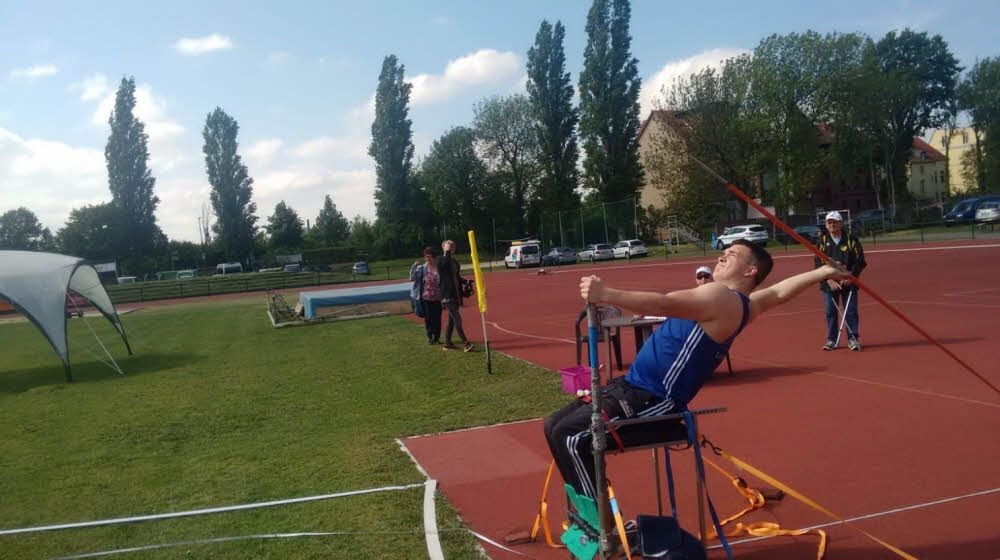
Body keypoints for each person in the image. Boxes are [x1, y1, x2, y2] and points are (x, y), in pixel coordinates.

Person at [543, 239, 851, 500]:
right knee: (554, 424)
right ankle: (588, 513)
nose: (721, 256)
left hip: (655, 400)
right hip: (632, 388)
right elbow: (778, 293)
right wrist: (822, 272)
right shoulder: (741, 306)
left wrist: (607, 294)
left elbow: (663, 304)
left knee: (571, 435)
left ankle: (599, 526)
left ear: (750, 270)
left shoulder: (722, 297)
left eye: (731, 255)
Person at [815, 211, 867, 351]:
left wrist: (851, 276)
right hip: (829, 284)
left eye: (834, 222)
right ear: (826, 225)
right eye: (829, 222)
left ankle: (853, 339)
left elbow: (860, 261)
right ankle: (831, 340)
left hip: (848, 282)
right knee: (830, 312)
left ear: (840, 223)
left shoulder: (851, 239)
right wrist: (829, 280)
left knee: (850, 311)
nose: (831, 224)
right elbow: (818, 264)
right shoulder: (822, 241)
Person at [436, 240, 474, 352]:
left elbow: (456, 277)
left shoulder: (454, 262)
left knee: (451, 320)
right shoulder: (441, 260)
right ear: (443, 247)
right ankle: (466, 343)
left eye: (453, 246)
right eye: (449, 246)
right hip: (447, 294)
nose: (452, 247)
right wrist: (447, 251)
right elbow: (445, 265)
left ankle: (447, 343)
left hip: (456, 294)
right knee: (457, 318)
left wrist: (465, 282)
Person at [419, 247, 443, 344]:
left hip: (437, 298)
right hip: (426, 297)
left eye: (429, 257)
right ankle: (429, 336)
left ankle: (437, 338)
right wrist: (413, 268)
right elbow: (413, 278)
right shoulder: (423, 268)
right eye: (426, 257)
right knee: (428, 318)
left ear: (434, 258)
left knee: (437, 318)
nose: (427, 259)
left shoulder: (439, 267)